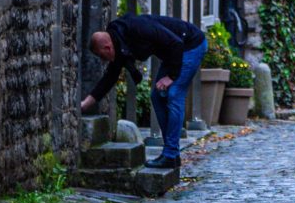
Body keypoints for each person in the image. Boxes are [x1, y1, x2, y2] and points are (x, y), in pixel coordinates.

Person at [80, 13, 207, 171]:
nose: (103, 60)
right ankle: (172, 154)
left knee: (174, 94)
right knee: (157, 96)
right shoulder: (119, 41)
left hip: (191, 45)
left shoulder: (137, 28)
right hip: (174, 52)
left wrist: (171, 77)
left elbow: (176, 43)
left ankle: (170, 154)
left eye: (101, 56)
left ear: (107, 48)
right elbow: (109, 78)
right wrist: (85, 104)